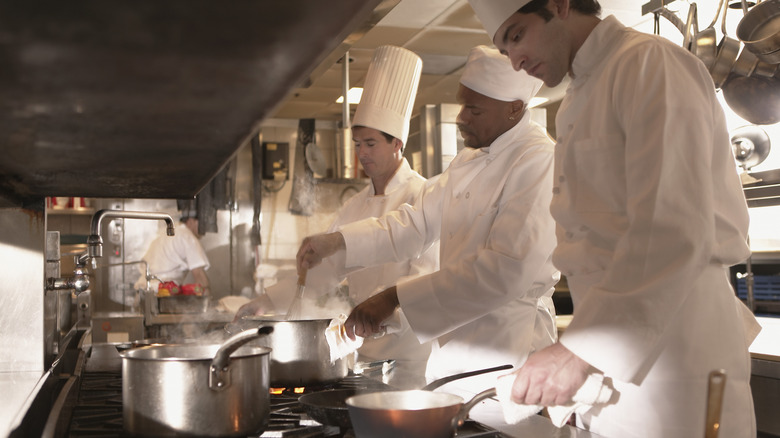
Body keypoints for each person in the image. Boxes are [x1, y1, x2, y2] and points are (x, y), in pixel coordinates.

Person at [466, 0, 762, 436]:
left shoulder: (649, 63)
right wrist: (583, 353)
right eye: (505, 47)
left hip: (678, 355)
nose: (515, 60)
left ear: (559, 5)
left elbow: (671, 230)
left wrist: (577, 353)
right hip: (613, 358)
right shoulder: (574, 100)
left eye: (516, 35)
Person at [297, 45, 559, 395]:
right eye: (462, 104)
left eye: (474, 109)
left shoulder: (538, 160)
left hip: (509, 354)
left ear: (514, 108)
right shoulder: (467, 160)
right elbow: (414, 224)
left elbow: (503, 271)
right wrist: (336, 242)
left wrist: (394, 297)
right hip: (452, 357)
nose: (461, 117)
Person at [237, 46, 438, 381]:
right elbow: (324, 273)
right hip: (361, 358)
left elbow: (423, 283)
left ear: (397, 144)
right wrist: (265, 301)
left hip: (409, 363)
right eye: (357, 144)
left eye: (371, 144)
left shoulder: (423, 195)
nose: (361, 153)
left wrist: (368, 323)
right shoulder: (355, 205)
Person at [138, 212, 211, 296]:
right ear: (190, 221)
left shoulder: (168, 232)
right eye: (203, 223)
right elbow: (200, 278)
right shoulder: (187, 236)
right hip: (162, 294)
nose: (205, 228)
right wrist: (208, 304)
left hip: (144, 292)